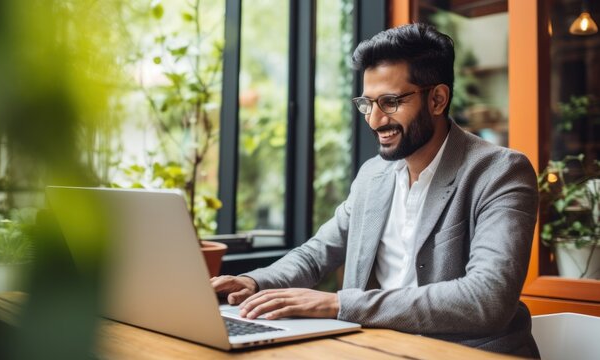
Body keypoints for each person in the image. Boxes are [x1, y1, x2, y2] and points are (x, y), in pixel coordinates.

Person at [211, 23, 539, 357]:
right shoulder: (373, 175)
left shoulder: (500, 172)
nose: (375, 120)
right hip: (380, 348)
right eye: (368, 103)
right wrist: (254, 282)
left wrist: (341, 303)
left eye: (391, 102)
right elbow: (317, 253)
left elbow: (487, 298)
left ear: (438, 99)